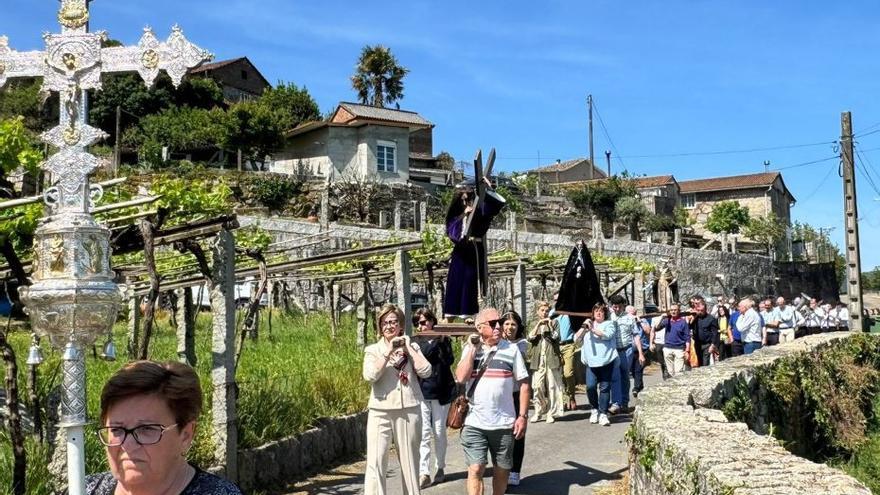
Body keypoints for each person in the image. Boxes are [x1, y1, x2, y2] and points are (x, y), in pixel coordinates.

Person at [86, 361, 242, 494]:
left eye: (146, 429)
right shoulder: (83, 489)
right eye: (116, 430)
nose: (128, 445)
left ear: (186, 435)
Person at [456, 308, 530, 495]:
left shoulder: (511, 349)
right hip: (474, 422)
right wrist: (472, 349)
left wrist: (522, 416)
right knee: (475, 468)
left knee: (501, 470)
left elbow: (524, 385)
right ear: (479, 327)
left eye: (499, 322)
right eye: (492, 323)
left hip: (504, 423)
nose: (498, 326)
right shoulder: (470, 349)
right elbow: (461, 377)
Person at [363, 304, 433, 495]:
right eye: (384, 323)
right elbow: (370, 375)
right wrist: (387, 353)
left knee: (410, 463)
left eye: (393, 322)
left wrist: (408, 348)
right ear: (379, 326)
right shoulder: (373, 350)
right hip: (380, 410)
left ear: (401, 325)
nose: (389, 326)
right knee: (376, 462)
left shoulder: (413, 347)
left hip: (408, 409)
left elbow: (426, 371)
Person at [443, 179, 506, 317]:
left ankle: (469, 314)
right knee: (457, 281)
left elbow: (493, 208)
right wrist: (464, 215)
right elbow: (452, 232)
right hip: (461, 252)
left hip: (475, 250)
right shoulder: (456, 216)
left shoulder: (480, 211)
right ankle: (452, 314)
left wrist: (489, 190)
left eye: (468, 199)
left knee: (471, 281)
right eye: (463, 200)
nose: (465, 202)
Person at [412, 308, 455, 489]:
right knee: (424, 433)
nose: (425, 325)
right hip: (422, 391)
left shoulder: (443, 340)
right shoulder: (415, 343)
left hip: (442, 390)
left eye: (428, 320)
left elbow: (449, 361)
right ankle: (424, 472)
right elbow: (424, 358)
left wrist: (443, 341)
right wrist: (438, 339)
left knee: (439, 431)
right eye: (421, 322)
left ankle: (440, 467)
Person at [575, 302, 618, 426]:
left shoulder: (609, 324)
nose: (599, 313)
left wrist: (592, 329)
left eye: (601, 311)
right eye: (596, 311)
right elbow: (576, 339)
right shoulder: (587, 325)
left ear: (605, 313)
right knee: (590, 387)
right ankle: (594, 409)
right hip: (591, 363)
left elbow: (607, 335)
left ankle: (603, 413)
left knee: (604, 388)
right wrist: (584, 328)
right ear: (593, 313)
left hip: (606, 361)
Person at [501, 310, 528, 487]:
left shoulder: (522, 344)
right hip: (500, 393)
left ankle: (515, 470)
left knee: (517, 432)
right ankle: (503, 467)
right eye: (507, 324)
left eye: (513, 324)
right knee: (500, 432)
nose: (510, 327)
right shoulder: (495, 343)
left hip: (516, 392)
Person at [527, 302, 564, 423]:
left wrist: (550, 325)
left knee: (552, 386)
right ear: (538, 311)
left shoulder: (554, 322)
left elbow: (556, 337)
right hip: (538, 359)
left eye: (547, 311)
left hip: (551, 358)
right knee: (537, 386)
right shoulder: (534, 323)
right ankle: (539, 410)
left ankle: (550, 413)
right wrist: (538, 325)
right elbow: (530, 337)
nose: (544, 313)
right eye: (542, 310)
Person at [609, 294, 637, 415]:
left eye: (619, 307)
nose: (616, 309)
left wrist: (640, 353)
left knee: (625, 376)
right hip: (613, 350)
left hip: (627, 350)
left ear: (623, 306)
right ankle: (615, 403)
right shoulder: (609, 317)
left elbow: (635, 334)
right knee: (614, 376)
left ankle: (624, 402)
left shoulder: (630, 318)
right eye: (614, 307)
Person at [655, 303, 690, 377]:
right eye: (671, 310)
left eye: (675, 310)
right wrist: (662, 317)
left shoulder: (683, 322)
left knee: (678, 373)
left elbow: (687, 337)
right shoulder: (667, 321)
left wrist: (687, 350)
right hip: (667, 348)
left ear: (678, 311)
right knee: (670, 372)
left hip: (679, 349)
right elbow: (656, 328)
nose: (673, 312)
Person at [688, 296, 719, 367]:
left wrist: (713, 345)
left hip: (707, 344)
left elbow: (715, 333)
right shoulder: (695, 318)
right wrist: (693, 318)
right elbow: (689, 327)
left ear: (705, 309)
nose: (700, 312)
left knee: (705, 363)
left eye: (702, 310)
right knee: (700, 362)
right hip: (697, 344)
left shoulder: (711, 319)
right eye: (698, 310)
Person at [630, 306, 650, 398]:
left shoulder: (642, 320)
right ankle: (640, 386)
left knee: (638, 369)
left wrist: (640, 322)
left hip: (642, 349)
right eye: (631, 313)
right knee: (633, 371)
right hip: (630, 350)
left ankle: (636, 388)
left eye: (634, 313)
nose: (633, 315)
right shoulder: (626, 322)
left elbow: (648, 331)